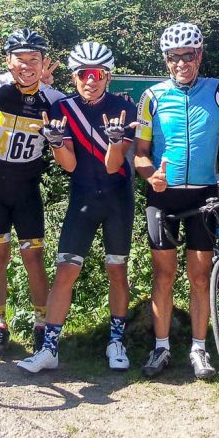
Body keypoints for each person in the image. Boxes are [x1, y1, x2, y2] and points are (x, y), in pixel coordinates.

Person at [133, 22, 219, 381]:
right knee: (163, 273)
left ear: (199, 55)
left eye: (188, 56)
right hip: (163, 196)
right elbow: (140, 153)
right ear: (166, 60)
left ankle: (199, 349)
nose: (181, 63)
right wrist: (149, 175)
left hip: (203, 195)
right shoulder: (152, 98)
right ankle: (161, 348)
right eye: (174, 57)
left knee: (200, 274)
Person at [18, 42, 137, 373]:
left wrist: (116, 141)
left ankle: (116, 342)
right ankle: (50, 349)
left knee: (117, 270)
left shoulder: (123, 106)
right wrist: (56, 144)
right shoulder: (63, 109)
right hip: (83, 197)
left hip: (117, 197)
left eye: (97, 74)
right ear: (74, 77)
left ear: (107, 76)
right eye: (84, 74)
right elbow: (69, 165)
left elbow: (115, 166)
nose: (91, 80)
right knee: (65, 272)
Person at [0, 29, 64, 356]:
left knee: (33, 259)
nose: (26, 66)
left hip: (27, 189)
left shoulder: (53, 100)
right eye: (20, 60)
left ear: (43, 63)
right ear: (7, 61)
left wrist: (46, 85)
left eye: (34, 60)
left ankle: (41, 325)